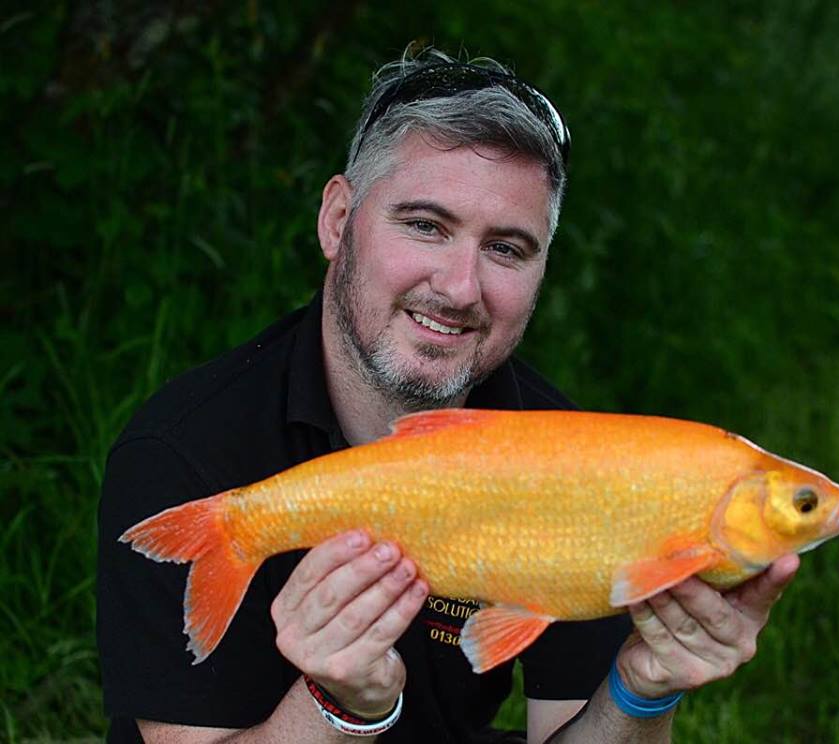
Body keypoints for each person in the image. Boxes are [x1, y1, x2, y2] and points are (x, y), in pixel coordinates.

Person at [97, 47, 799, 744]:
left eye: (507, 248)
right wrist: (340, 706)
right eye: (426, 225)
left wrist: (643, 690)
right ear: (338, 221)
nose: (461, 287)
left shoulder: (579, 457)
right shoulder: (183, 453)